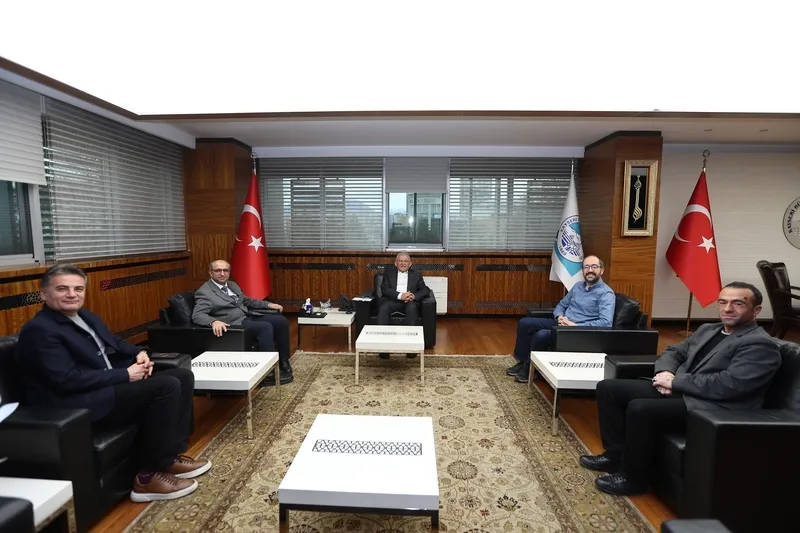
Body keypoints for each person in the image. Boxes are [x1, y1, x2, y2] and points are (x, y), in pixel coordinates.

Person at [15, 264, 210, 502]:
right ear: (44, 294)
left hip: (103, 385)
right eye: (62, 289)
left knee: (182, 376)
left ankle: (169, 458)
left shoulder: (84, 315)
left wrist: (138, 353)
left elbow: (114, 342)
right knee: (166, 386)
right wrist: (125, 375)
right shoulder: (40, 330)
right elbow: (65, 380)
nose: (72, 294)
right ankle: (148, 478)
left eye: (78, 289)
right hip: (75, 403)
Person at [580, 281, 781, 496]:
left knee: (640, 408)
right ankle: (614, 455)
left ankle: (633, 479)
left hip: (713, 406)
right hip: (683, 390)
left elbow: (730, 384)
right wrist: (665, 373)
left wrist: (676, 383)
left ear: (756, 310)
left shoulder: (760, 344)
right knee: (608, 388)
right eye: (723, 302)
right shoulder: (708, 329)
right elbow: (674, 352)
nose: (728, 308)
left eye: (738, 304)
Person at [507, 255, 615, 383]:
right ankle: (523, 360)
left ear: (601, 270)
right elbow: (562, 305)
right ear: (582, 270)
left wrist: (575, 326)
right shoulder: (577, 286)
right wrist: (559, 316)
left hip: (577, 330)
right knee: (524, 323)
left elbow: (605, 323)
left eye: (594, 266)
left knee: (542, 335)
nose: (590, 270)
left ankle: (530, 369)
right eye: (586, 267)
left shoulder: (606, 294)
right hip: (562, 323)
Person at [192, 259, 292, 384]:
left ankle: (283, 361)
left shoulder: (232, 285)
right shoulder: (204, 292)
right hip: (233, 323)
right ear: (210, 273)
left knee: (281, 321)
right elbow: (197, 315)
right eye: (218, 270)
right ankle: (267, 373)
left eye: (225, 270)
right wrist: (213, 322)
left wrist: (268, 304)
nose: (222, 273)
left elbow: (247, 301)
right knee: (265, 327)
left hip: (247, 316)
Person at [376, 252, 431, 359]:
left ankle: (411, 349)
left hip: (409, 302)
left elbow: (425, 289)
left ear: (410, 264)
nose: (403, 263)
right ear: (395, 263)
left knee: (412, 307)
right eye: (400, 261)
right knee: (383, 308)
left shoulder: (417, 275)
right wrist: (401, 295)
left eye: (406, 261)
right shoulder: (388, 273)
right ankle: (383, 350)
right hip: (392, 301)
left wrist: (414, 296)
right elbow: (385, 289)